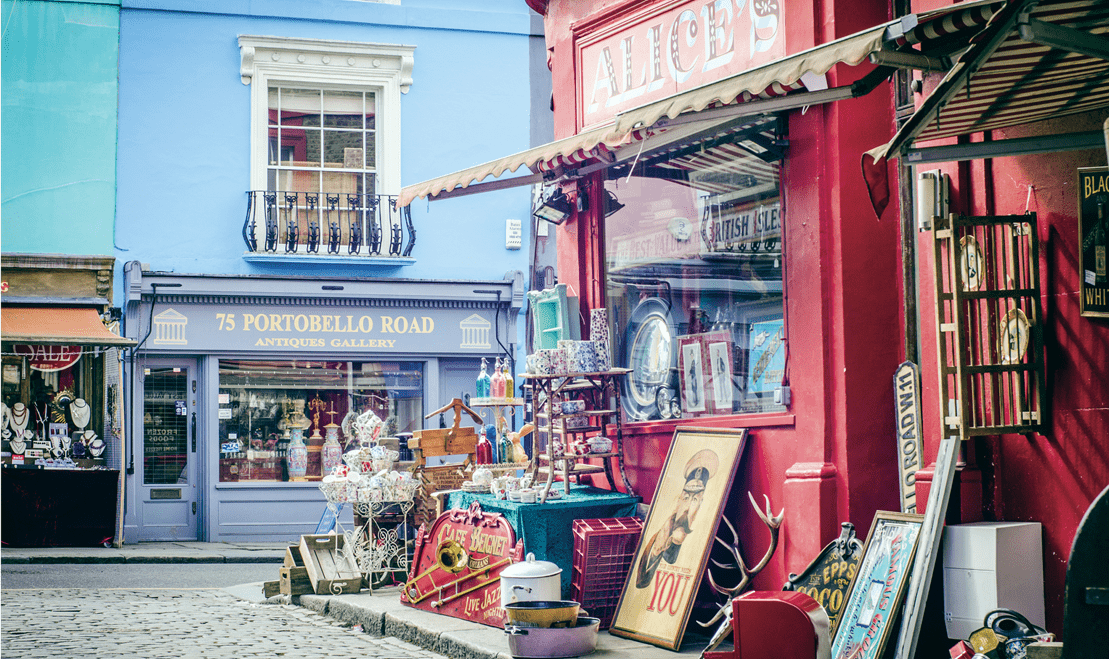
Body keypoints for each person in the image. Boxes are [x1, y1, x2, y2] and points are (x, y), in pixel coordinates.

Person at [635, 448, 719, 588]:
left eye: (695, 500)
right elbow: (643, 577)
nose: (687, 508)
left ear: (702, 503)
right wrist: (659, 548)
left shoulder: (701, 535)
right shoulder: (663, 529)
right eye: (686, 498)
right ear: (678, 500)